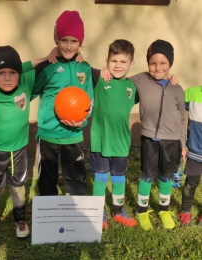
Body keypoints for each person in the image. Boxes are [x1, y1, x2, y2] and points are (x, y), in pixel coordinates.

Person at [0, 46, 45, 240]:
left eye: (12, 72)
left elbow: (43, 63)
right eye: (0, 73)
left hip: (18, 149)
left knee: (18, 185)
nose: (7, 78)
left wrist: (55, 53)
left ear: (20, 73)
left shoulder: (26, 80)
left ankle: (20, 219)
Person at [32, 10, 94, 196]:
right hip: (49, 134)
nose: (68, 46)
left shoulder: (85, 68)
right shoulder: (48, 67)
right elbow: (28, 92)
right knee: (47, 179)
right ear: (56, 40)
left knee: (76, 178)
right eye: (63, 40)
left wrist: (82, 120)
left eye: (74, 41)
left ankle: (76, 217)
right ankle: (49, 219)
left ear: (80, 43)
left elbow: (89, 100)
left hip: (74, 134)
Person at [129, 40, 186, 231]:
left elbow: (182, 119)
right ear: (147, 63)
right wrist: (105, 69)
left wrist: (183, 143)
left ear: (170, 64)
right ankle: (142, 211)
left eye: (163, 63)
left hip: (172, 141)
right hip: (149, 139)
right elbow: (120, 78)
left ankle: (164, 209)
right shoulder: (140, 80)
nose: (158, 67)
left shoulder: (177, 88)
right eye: (153, 63)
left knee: (166, 176)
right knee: (147, 175)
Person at [89, 39, 138, 230]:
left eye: (123, 62)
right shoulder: (99, 79)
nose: (118, 65)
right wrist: (100, 70)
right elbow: (81, 65)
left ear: (131, 64)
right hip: (101, 142)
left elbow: (155, 80)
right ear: (107, 61)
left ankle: (118, 212)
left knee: (119, 178)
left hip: (121, 143)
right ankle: (98, 213)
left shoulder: (133, 87)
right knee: (100, 178)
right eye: (113, 61)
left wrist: (171, 77)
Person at [179, 86, 202, 226]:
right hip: (195, 150)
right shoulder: (192, 92)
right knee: (191, 183)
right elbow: (173, 98)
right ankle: (186, 212)